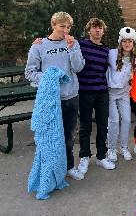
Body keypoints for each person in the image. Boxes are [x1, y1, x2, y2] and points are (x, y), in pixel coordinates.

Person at [25, 11, 85, 180]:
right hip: (50, 100)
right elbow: (30, 73)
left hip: (71, 96)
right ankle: (50, 170)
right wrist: (50, 77)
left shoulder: (73, 43)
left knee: (68, 135)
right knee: (50, 138)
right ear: (53, 25)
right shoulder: (39, 46)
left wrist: (73, 49)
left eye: (68, 27)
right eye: (61, 26)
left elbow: (79, 67)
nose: (65, 30)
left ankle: (69, 167)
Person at [77, 18, 115, 177]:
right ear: (89, 30)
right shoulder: (81, 44)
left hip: (102, 92)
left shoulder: (106, 50)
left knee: (102, 125)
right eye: (94, 27)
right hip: (85, 91)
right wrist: (39, 42)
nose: (97, 30)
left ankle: (101, 156)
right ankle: (84, 157)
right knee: (85, 127)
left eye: (100, 28)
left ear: (103, 31)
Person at [106, 27, 136, 162]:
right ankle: (111, 148)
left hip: (125, 92)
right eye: (124, 41)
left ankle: (124, 147)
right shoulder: (111, 53)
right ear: (120, 42)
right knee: (113, 121)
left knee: (126, 120)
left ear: (134, 43)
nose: (127, 44)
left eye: (130, 41)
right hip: (110, 93)